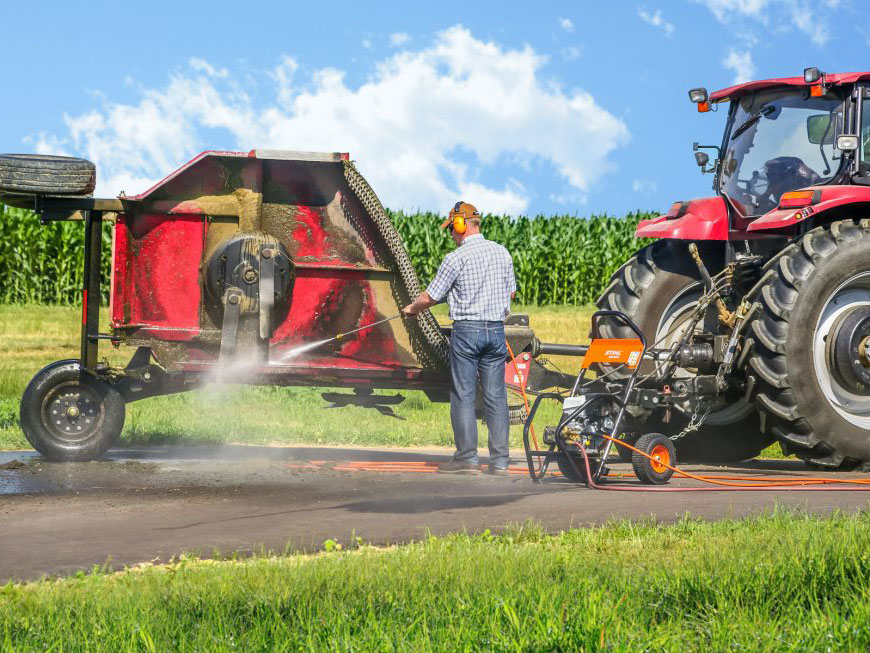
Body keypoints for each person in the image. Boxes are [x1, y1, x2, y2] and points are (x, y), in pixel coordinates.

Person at [403, 202, 517, 475]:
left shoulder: (455, 259)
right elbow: (511, 293)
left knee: (464, 395)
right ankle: (500, 461)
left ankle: (466, 459)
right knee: (496, 396)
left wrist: (411, 309)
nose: (451, 236)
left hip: (467, 332)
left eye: (452, 230)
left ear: (460, 225)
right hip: (496, 331)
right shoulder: (502, 253)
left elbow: (430, 296)